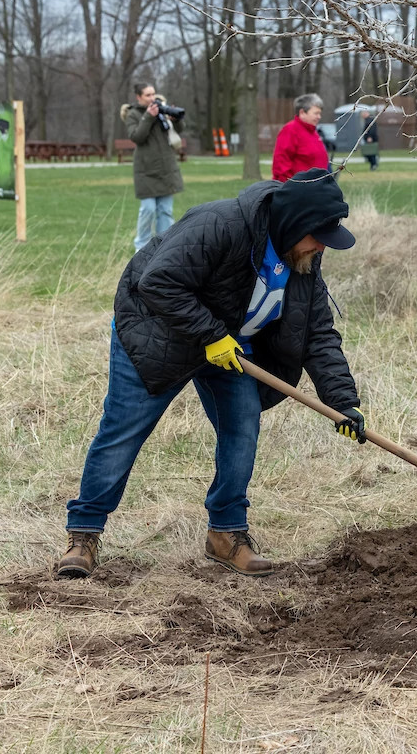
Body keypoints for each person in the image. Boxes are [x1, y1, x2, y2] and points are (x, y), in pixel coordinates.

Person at [57, 169, 366, 579]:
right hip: (157, 333)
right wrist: (210, 334)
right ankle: (84, 536)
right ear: (293, 224)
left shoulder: (303, 258)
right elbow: (158, 282)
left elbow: (318, 334)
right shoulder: (219, 225)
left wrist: (342, 402)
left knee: (242, 426)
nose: (321, 247)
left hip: (229, 347)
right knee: (123, 431)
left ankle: (226, 534)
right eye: (317, 237)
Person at [122, 83, 184, 251]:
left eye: (153, 94)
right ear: (139, 97)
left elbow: (178, 131)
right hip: (146, 171)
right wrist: (148, 116)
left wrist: (174, 119)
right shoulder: (133, 114)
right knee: (148, 210)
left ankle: (164, 248)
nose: (152, 98)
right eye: (148, 95)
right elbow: (137, 137)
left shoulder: (161, 110)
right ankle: (140, 248)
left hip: (166, 169)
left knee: (165, 211)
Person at [273, 93, 329, 181]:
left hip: (316, 187)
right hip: (298, 188)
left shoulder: (313, 133)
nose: (319, 117)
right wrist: (291, 186)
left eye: (320, 113)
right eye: (316, 113)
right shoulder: (290, 130)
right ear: (302, 112)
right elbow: (281, 164)